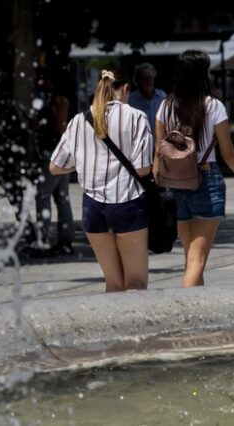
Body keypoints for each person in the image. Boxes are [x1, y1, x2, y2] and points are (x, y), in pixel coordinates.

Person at [49, 70, 153, 292]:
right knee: (135, 283)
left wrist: (86, 162)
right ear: (124, 89)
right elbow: (143, 169)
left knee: (113, 283)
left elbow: (55, 166)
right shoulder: (136, 116)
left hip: (93, 206)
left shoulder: (78, 120)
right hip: (127, 201)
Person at [154, 50, 234, 288]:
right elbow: (227, 151)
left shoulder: (165, 105)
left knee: (192, 258)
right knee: (197, 259)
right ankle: (182, 308)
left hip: (175, 183)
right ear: (202, 75)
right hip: (206, 180)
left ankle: (197, 311)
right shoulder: (213, 105)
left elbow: (158, 151)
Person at [34, 68, 76, 256]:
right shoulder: (54, 100)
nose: (41, 82)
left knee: (43, 195)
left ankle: (43, 239)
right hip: (61, 154)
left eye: (44, 78)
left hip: (53, 154)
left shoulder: (59, 101)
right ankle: (65, 239)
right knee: (62, 198)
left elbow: (60, 127)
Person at [128, 62, 167, 133]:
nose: (148, 82)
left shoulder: (162, 96)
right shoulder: (131, 100)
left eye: (150, 78)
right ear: (138, 81)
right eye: (143, 79)